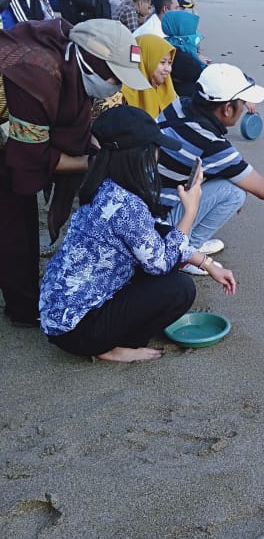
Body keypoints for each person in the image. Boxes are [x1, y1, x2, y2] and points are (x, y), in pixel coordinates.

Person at [39, 105, 236, 363]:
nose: (157, 156)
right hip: (78, 330)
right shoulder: (126, 205)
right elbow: (162, 263)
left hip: (57, 311)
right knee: (179, 288)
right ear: (137, 155)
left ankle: (106, 338)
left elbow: (156, 232)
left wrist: (207, 264)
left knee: (160, 261)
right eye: (154, 149)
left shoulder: (105, 186)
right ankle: (110, 347)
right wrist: (191, 210)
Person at [0, 18, 150, 326]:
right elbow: (31, 157)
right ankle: (24, 309)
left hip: (17, 127)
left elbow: (78, 127)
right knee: (14, 218)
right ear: (92, 61)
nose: (117, 85)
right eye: (115, 77)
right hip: (11, 130)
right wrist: (98, 162)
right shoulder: (37, 76)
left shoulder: (73, 60)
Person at [156, 63, 264, 272]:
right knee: (235, 192)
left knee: (231, 180)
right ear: (227, 108)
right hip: (159, 221)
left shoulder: (178, 106)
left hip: (146, 202)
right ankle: (186, 251)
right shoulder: (212, 143)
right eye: (241, 102)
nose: (244, 107)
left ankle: (187, 242)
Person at [122, 34, 177, 118]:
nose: (168, 69)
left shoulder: (168, 90)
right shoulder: (121, 96)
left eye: (169, 62)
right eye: (162, 62)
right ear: (144, 61)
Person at [161, 8, 208, 97]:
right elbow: (203, 76)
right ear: (181, 28)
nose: (195, 32)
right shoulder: (182, 57)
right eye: (192, 28)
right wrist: (200, 62)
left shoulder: (167, 44)